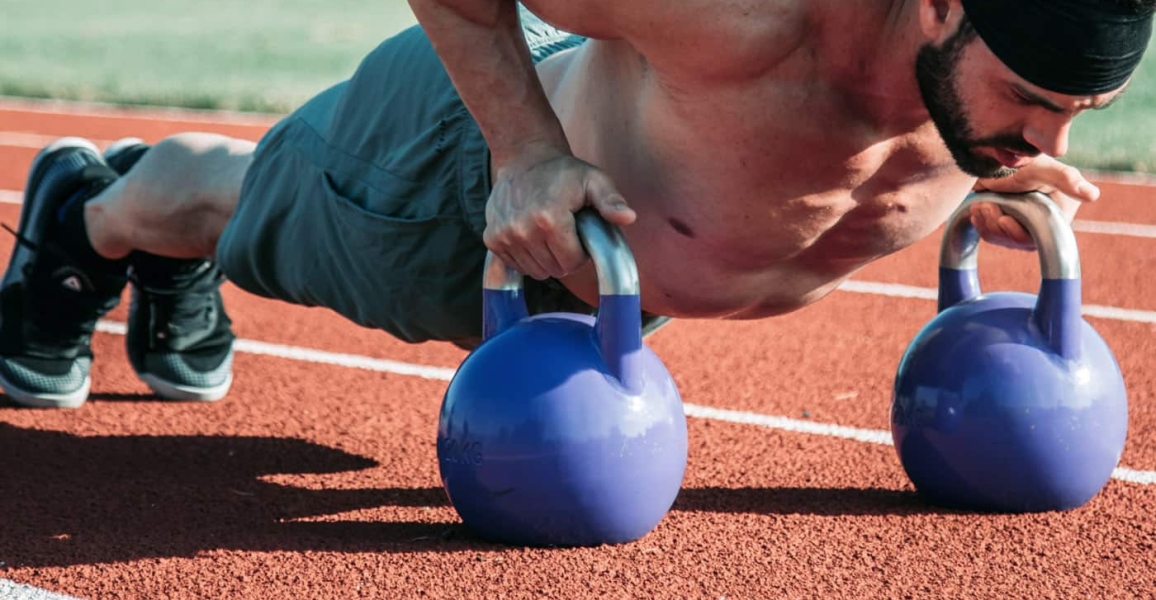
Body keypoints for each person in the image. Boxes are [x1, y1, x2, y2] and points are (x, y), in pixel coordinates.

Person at [1, 0, 1151, 408]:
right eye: (1034, 102)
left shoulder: (980, 96)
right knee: (232, 204)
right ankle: (88, 215)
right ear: (941, 7)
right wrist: (523, 154)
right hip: (452, 188)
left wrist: (971, 190)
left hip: (599, 270)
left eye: (1078, 117)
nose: (1044, 144)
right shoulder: (746, 13)